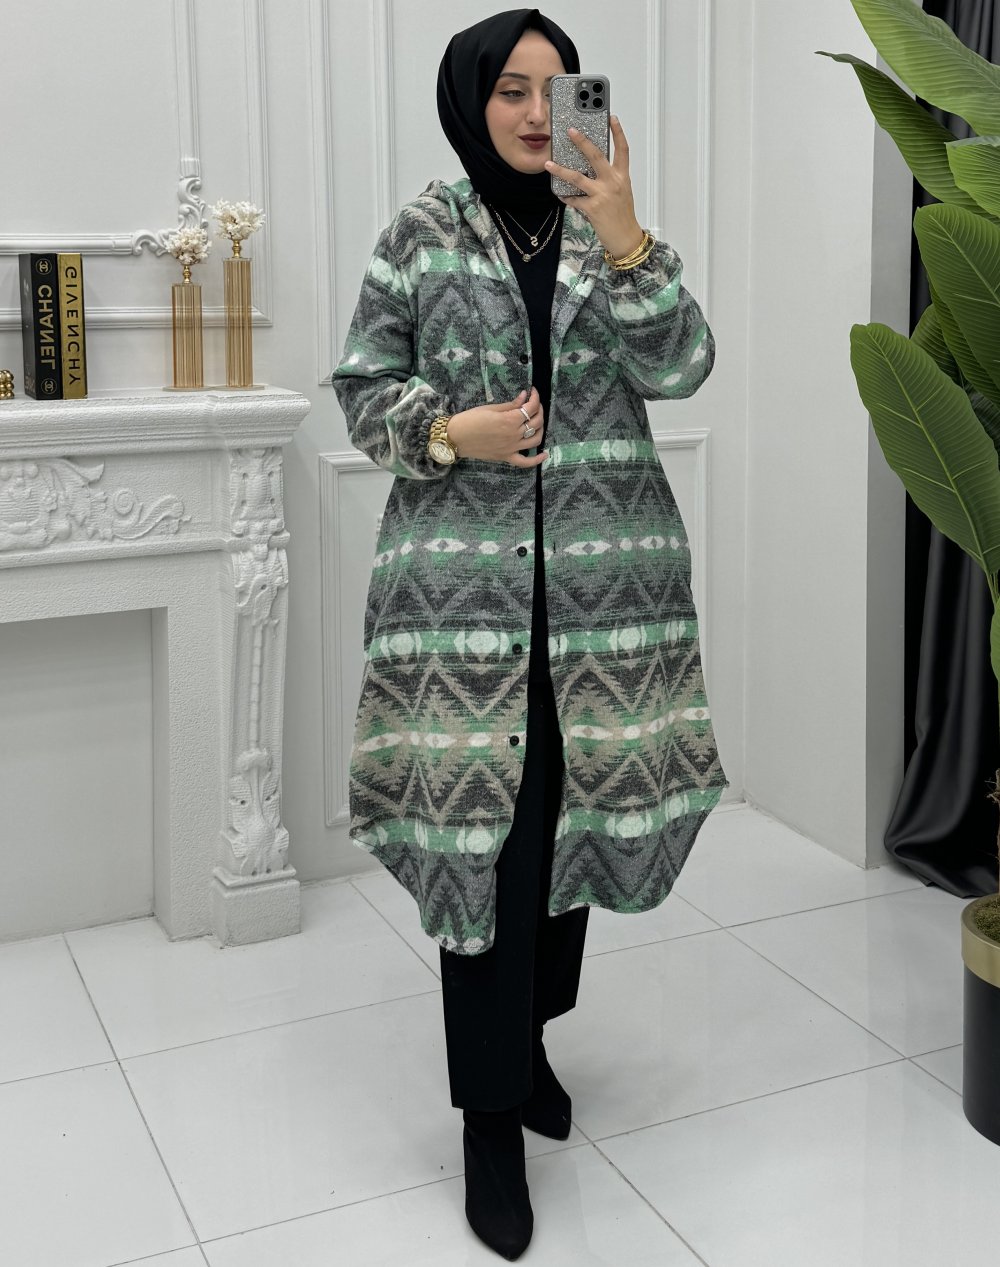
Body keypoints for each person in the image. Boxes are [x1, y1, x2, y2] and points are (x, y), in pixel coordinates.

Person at [331, 8, 728, 1259]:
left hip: (609, 610)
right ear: (470, 97)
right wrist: (455, 432)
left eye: (557, 90)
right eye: (511, 87)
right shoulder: (420, 233)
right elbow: (361, 388)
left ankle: (533, 1037)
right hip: (464, 610)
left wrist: (627, 234)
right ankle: (490, 1118)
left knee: (572, 834)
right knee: (485, 856)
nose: (534, 112)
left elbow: (684, 368)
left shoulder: (612, 230)